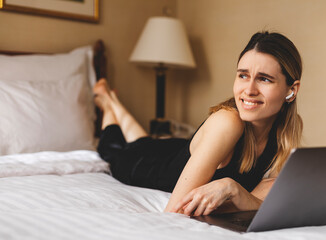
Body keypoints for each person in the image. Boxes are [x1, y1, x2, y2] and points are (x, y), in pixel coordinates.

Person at [94, 31, 302, 217]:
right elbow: (177, 210)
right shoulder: (228, 122)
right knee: (114, 148)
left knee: (143, 141)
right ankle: (106, 102)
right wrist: (233, 190)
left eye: (264, 79)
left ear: (291, 90)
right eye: (243, 75)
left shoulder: (283, 133)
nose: (249, 89)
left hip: (169, 150)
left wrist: (237, 192)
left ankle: (112, 101)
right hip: (142, 165)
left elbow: (257, 200)